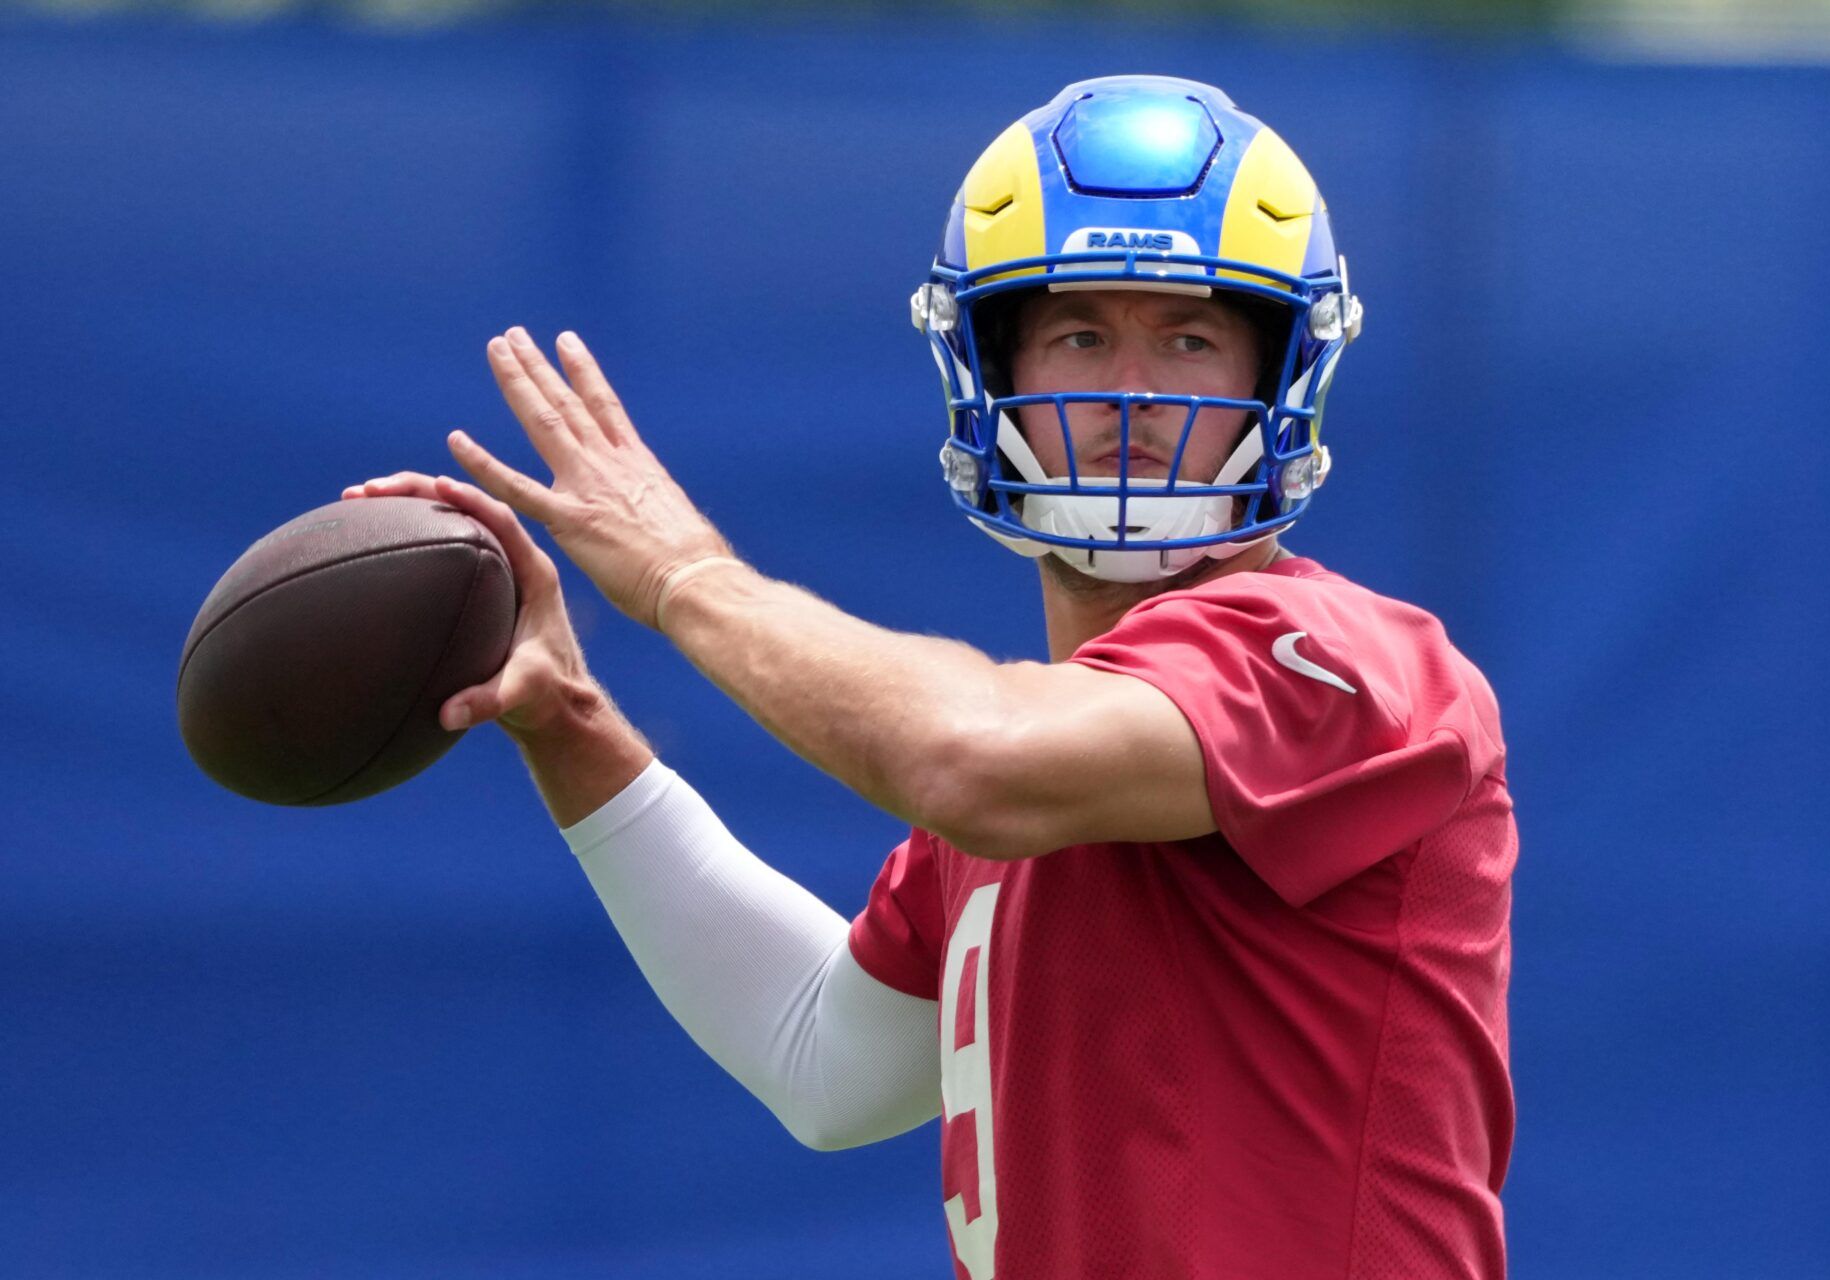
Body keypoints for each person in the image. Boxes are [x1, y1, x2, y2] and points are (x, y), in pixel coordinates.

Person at [347, 76, 1516, 1280]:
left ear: (1280, 377)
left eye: (1189, 336)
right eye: (1077, 334)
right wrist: (570, 722)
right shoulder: (1039, 761)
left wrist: (682, 573)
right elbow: (823, 1062)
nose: (1128, 390)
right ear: (988, 369)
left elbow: (975, 757)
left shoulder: (1354, 661)